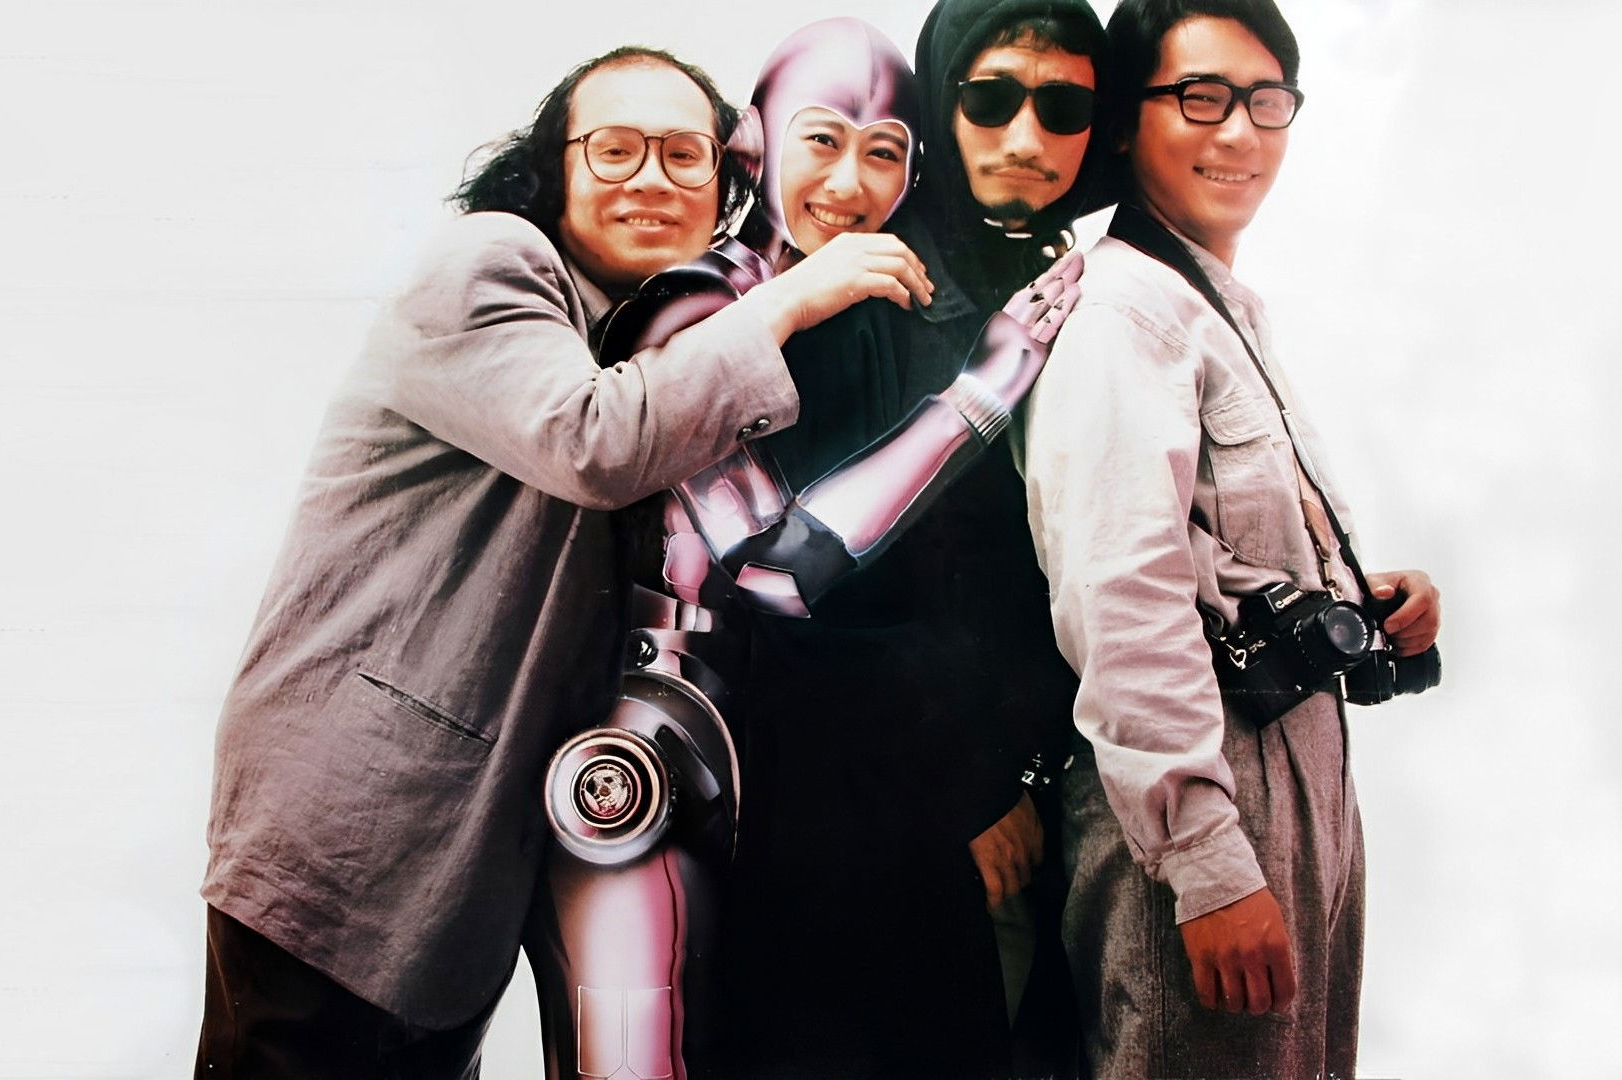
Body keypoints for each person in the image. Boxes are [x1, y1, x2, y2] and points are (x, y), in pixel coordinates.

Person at [194, 45, 939, 1079]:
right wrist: (791, 301)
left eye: (684, 155)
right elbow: (595, 442)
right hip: (353, 826)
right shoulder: (492, 262)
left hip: (457, 857)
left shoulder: (639, 320)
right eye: (616, 149)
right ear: (554, 167)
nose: (652, 179)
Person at [526, 20, 1081, 1080]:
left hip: (823, 782)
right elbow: (778, 570)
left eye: (883, 151)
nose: (849, 183)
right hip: (668, 746)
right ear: (758, 143)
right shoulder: (694, 303)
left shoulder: (867, 308)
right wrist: (985, 388)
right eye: (821, 139)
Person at [1021, 1, 1443, 1076]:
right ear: (1127, 124)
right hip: (1209, 809)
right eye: (1200, 98)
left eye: (1266, 101)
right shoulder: (1124, 318)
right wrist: (1207, 866)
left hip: (1284, 791)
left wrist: (1350, 589)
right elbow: (1120, 596)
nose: (1240, 132)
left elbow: (1206, 547)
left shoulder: (1203, 301)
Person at [713, 2, 1111, 1076]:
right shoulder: (865, 280)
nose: (1025, 135)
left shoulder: (1059, 273)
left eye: (1062, 107)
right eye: (991, 97)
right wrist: (967, 786)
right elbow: (798, 591)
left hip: (1048, 779)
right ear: (942, 102)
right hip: (895, 816)